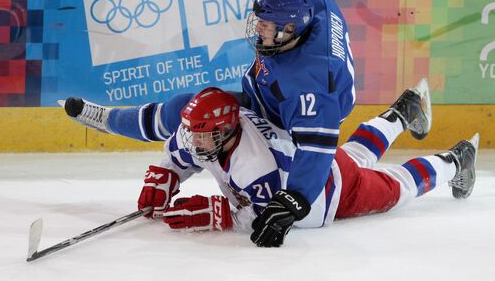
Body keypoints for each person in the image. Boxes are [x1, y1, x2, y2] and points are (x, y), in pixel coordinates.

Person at [64, 0, 359, 245]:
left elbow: (316, 148)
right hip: (268, 95)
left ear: (290, 31)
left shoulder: (311, 88)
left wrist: (294, 199)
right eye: (259, 21)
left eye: (267, 28)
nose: (258, 30)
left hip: (285, 119)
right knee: (189, 108)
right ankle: (110, 119)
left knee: (250, 156)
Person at [136, 83, 478, 247]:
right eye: (193, 134)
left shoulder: (254, 164)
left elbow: (265, 216)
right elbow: (180, 151)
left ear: (226, 131)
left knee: (396, 186)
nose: (194, 142)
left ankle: (455, 160)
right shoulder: (207, 132)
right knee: (357, 152)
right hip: (318, 158)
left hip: (331, 192)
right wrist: (167, 173)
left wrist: (218, 214)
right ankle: (403, 112)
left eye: (202, 136)